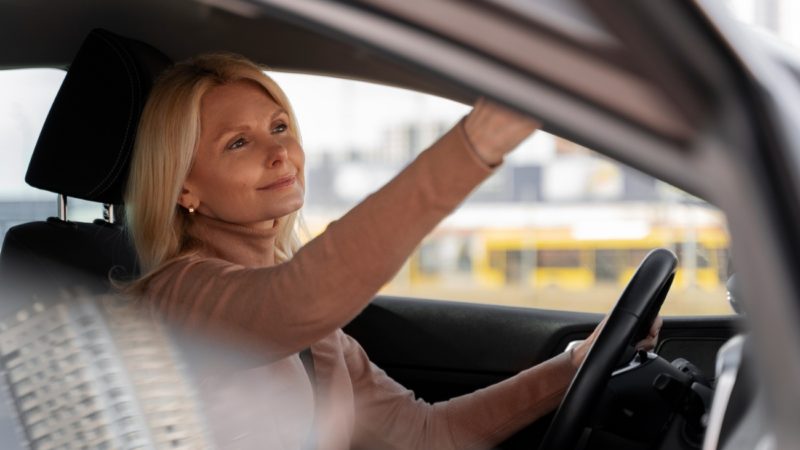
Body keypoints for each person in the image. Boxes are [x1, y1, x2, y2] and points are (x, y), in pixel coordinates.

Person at [123, 53, 660, 449]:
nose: (279, 152)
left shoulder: (320, 336)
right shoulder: (178, 300)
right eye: (238, 142)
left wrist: (577, 365)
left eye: (280, 127)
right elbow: (299, 299)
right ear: (182, 189)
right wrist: (474, 145)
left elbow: (428, 433)